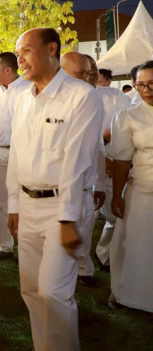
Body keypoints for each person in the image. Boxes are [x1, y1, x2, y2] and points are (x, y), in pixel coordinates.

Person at [7, 28, 102, 351]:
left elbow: (78, 162)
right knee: (32, 291)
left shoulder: (82, 96)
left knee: (53, 292)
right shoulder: (22, 100)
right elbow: (16, 155)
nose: (20, 59)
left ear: (51, 49)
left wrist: (67, 219)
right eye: (17, 53)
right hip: (28, 207)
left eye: (27, 51)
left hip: (63, 207)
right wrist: (13, 206)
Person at [107, 60, 153, 313]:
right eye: (140, 85)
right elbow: (122, 159)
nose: (146, 90)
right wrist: (117, 195)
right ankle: (128, 293)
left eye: (151, 84)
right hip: (142, 189)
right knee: (135, 244)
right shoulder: (128, 115)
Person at [60, 51, 107, 286]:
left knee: (84, 231)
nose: (88, 78)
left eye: (91, 72)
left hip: (84, 186)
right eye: (82, 73)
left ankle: (84, 270)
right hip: (54, 188)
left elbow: (97, 149)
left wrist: (100, 185)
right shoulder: (51, 101)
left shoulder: (95, 98)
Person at [0, 52, 30, 261]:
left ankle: (25, 246)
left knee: (24, 201)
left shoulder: (29, 89)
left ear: (8, 70)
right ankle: (5, 246)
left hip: (22, 152)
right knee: (0, 201)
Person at [89, 56, 131, 268]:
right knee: (88, 215)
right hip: (88, 163)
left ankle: (104, 253)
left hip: (114, 160)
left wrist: (108, 153)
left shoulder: (115, 95)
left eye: (92, 72)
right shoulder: (70, 98)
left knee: (115, 213)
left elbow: (126, 122)